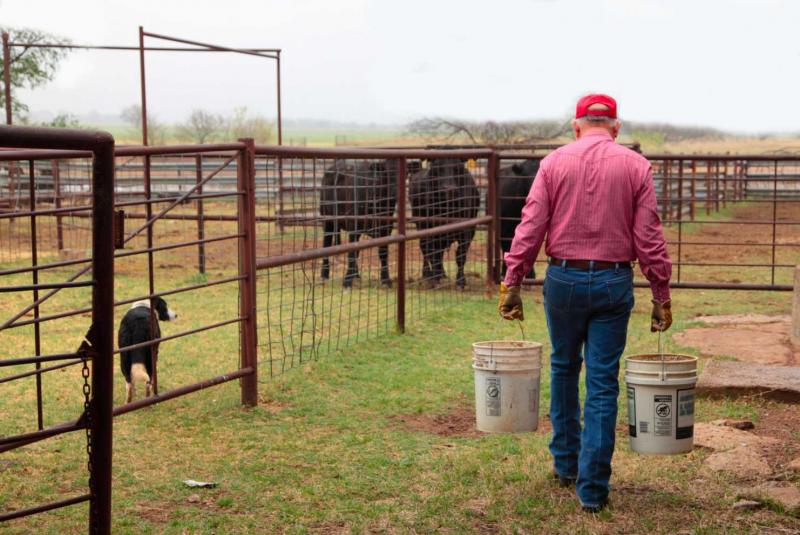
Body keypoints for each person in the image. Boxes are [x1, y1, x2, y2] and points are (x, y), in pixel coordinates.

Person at [497, 93, 673, 513]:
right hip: (613, 281)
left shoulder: (553, 163)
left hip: (563, 278)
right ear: (616, 127)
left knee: (563, 366)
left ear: (576, 126)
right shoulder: (635, 166)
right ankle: (593, 489)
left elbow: (531, 224)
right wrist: (660, 293)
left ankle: (565, 464)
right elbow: (648, 236)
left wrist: (512, 281)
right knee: (601, 382)